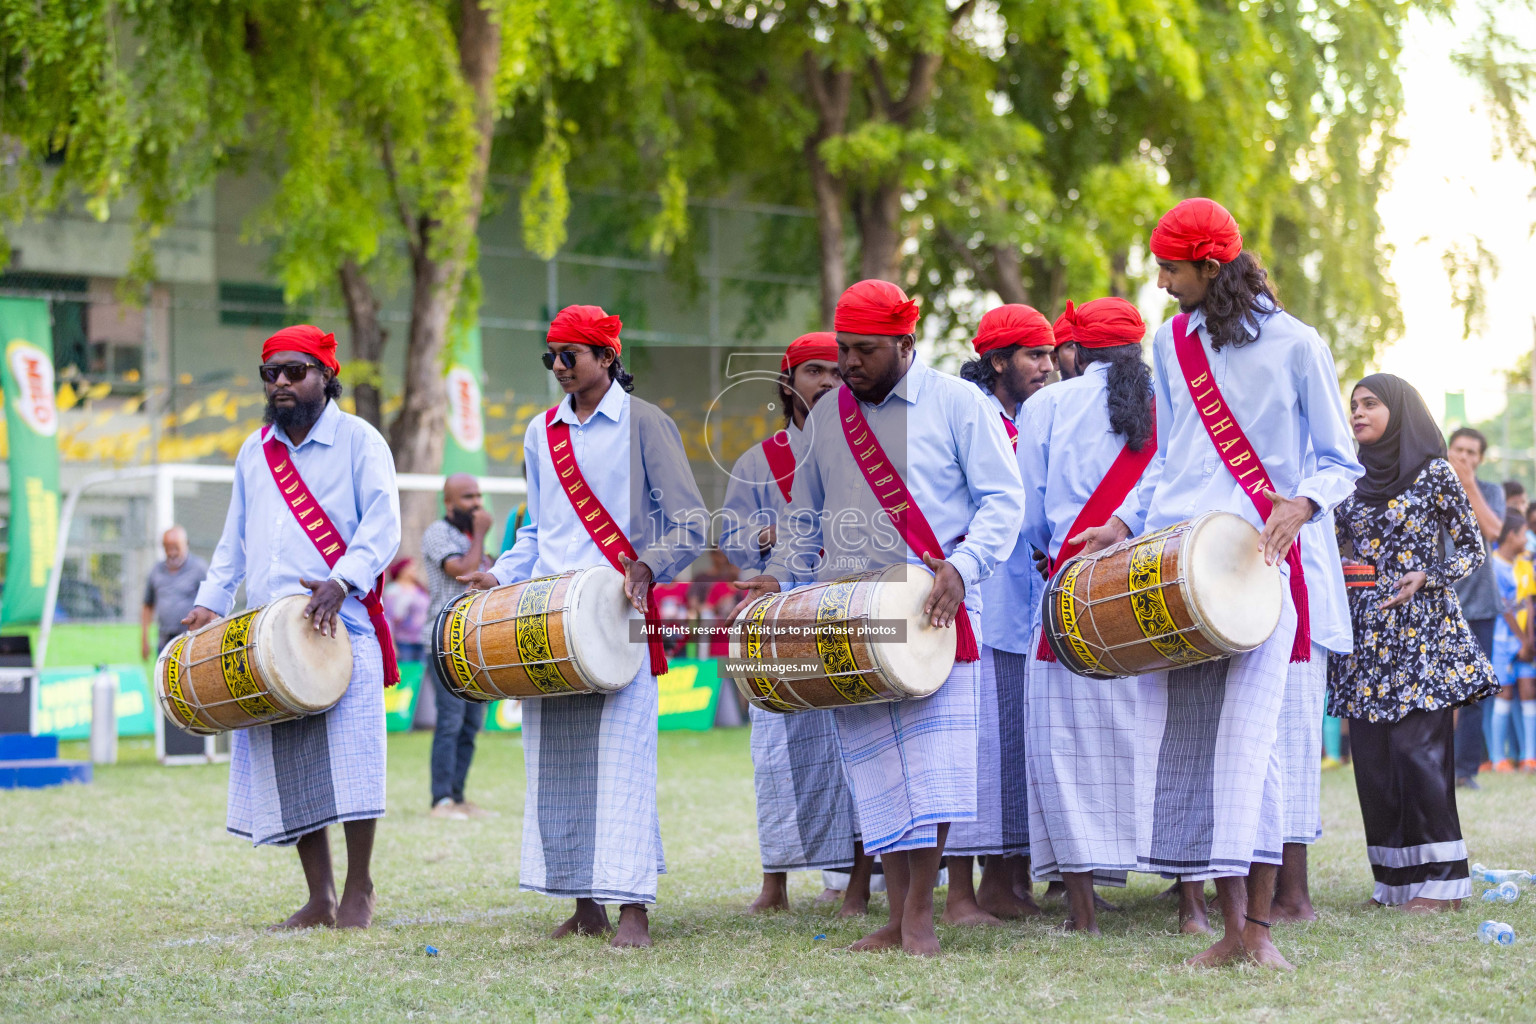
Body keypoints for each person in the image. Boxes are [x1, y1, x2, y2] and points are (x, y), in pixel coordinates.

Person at [1075, 198, 1361, 970]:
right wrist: (1126, 523)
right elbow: (1169, 458)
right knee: (1196, 754)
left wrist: (1301, 502)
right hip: (1174, 571)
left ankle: (1258, 932)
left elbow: (1339, 459)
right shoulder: (1172, 343)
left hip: (1261, 571)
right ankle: (1231, 929)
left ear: (1210, 264)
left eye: (1170, 269)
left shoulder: (1299, 345)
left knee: (1252, 752)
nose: (1162, 284)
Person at [735, 279, 1025, 956]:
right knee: (877, 771)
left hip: (937, 608)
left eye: (864, 350)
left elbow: (1002, 501)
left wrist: (963, 567)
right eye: (843, 350)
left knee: (935, 769)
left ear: (904, 343)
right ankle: (896, 917)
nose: (850, 363)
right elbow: (802, 519)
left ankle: (919, 918)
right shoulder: (831, 415)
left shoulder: (959, 404)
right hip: (849, 614)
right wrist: (780, 584)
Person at [458, 304, 707, 948]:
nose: (560, 368)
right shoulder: (541, 433)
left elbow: (689, 521)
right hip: (547, 614)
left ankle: (633, 911)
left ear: (606, 358)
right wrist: (500, 574)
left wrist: (649, 566)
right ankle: (586, 905)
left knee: (624, 760)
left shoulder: (646, 423)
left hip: (620, 613)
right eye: (552, 357)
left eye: (571, 356)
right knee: (559, 760)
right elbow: (538, 532)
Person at [185, 323, 401, 930]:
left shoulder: (360, 441)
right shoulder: (256, 451)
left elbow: (383, 525)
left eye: (294, 372)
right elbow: (233, 541)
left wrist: (343, 579)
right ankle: (320, 896)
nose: (281, 382)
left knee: (355, 758)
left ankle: (360, 888)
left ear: (325, 376)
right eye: (270, 373)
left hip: (340, 623)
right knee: (292, 761)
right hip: (267, 636)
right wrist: (211, 601)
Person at [1327, 375, 1499, 910]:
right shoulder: (1347, 480)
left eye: (1370, 403)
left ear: (1398, 410)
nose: (1357, 412)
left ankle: (1445, 884)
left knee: (1416, 750)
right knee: (1374, 759)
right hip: (1366, 635)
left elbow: (1472, 549)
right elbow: (1331, 543)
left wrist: (1430, 574)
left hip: (1423, 633)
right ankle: (1396, 882)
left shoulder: (1434, 474)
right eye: (1353, 405)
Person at [719, 332, 871, 915]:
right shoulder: (759, 460)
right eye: (814, 370)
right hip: (776, 619)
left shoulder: (865, 448)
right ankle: (774, 882)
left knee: (852, 739)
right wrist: (768, 538)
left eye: (836, 371)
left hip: (842, 611)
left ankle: (855, 885)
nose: (829, 380)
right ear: (788, 383)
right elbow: (731, 533)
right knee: (775, 748)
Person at [1017, 296, 1155, 936]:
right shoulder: (1166, 406)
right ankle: (1188, 906)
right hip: (1153, 591)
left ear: (1077, 351)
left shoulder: (1045, 406)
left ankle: (1082, 913)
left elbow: (1029, 515)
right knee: (1157, 739)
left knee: (1064, 744)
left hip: (1072, 587)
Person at [944, 304, 1057, 925]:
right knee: (975, 748)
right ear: (997, 362)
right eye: (1033, 356)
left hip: (1024, 610)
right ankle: (961, 895)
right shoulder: (969, 412)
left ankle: (1007, 884)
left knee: (1013, 750)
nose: (1047, 366)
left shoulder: (1026, 417)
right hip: (974, 603)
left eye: (1048, 354)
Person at [1269, 472, 1351, 924]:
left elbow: (1342, 468)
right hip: (1240, 588)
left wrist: (1304, 502)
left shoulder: (1310, 429)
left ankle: (1294, 896)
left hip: (1300, 599)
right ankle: (1244, 884)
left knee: (1292, 749)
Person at [421, 473, 494, 820]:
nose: (476, 503)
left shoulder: (470, 537)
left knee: (469, 723)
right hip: (443, 639)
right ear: (449, 503)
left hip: (474, 643)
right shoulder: (439, 533)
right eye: (467, 497)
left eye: (478, 495)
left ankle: (459, 796)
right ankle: (441, 800)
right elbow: (461, 570)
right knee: (450, 721)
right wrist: (480, 535)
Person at [1446, 427, 1506, 788]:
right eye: (1459, 450)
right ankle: (1437, 768)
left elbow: (1494, 531)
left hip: (1482, 606)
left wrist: (1468, 484)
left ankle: (1466, 771)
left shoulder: (1492, 491)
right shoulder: (1433, 489)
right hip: (1442, 604)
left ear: (1480, 459)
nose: (1465, 457)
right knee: (1440, 691)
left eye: (1472, 452)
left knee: (1475, 693)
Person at [1489, 512, 1536, 771]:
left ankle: (1530, 756)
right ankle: (1498, 758)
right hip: (1503, 640)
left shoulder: (1524, 564)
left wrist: (1529, 639)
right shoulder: (1494, 566)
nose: (1527, 540)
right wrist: (1521, 639)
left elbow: (1528, 601)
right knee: (1504, 693)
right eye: (1523, 534)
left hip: (1525, 641)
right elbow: (1504, 608)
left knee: (1529, 689)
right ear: (1511, 536)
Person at [141, 525, 209, 660]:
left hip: (192, 640)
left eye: (176, 547)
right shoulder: (156, 571)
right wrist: (144, 639)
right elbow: (148, 606)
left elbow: (210, 605)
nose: (172, 552)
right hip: (164, 641)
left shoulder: (199, 569)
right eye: (167, 548)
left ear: (186, 544)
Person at [382, 559, 429, 663]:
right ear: (402, 571)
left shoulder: (419, 589)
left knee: (420, 675)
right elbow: (388, 618)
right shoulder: (393, 590)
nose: (414, 570)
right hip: (403, 642)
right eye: (411, 568)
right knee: (407, 675)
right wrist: (391, 645)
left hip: (422, 639)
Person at [1051, 310, 1083, 381]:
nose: (1084, 354)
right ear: (1055, 360)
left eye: (1091, 345)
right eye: (1072, 346)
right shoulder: (1048, 392)